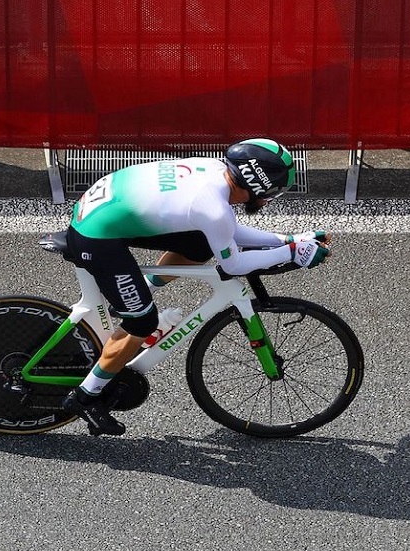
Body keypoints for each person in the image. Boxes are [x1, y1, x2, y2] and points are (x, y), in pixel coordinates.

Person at [61, 138, 331, 435]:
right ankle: (85, 397)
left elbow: (227, 231)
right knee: (142, 323)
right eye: (271, 193)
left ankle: (141, 293)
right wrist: (291, 253)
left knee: (201, 245)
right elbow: (233, 264)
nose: (268, 201)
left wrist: (288, 240)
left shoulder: (215, 170)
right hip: (96, 235)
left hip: (103, 210)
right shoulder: (213, 208)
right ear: (257, 186)